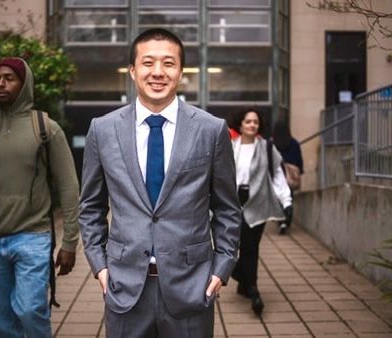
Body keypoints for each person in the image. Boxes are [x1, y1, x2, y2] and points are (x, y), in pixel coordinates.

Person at [79, 28, 241, 338]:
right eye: (148, 62)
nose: (157, 72)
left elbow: (227, 208)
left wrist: (221, 268)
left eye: (168, 63)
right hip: (124, 287)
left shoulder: (211, 130)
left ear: (181, 72)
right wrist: (100, 266)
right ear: (132, 70)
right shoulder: (102, 130)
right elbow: (90, 206)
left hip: (192, 287)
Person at [0, 57, 80, 338]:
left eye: (9, 78)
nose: (1, 83)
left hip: (32, 237)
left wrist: (70, 241)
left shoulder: (45, 127)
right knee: (4, 320)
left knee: (30, 309)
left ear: (24, 84)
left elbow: (69, 184)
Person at [229, 108, 292, 316]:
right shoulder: (230, 147)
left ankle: (253, 290)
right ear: (240, 124)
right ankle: (243, 282)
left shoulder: (267, 147)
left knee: (250, 247)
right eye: (248, 121)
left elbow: (277, 176)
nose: (252, 125)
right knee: (241, 246)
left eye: (255, 122)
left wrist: (287, 202)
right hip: (234, 204)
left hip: (258, 203)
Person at [272, 119, 304, 234]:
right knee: (289, 196)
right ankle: (287, 219)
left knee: (279, 197)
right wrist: (299, 171)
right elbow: (298, 160)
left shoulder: (273, 143)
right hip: (290, 175)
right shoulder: (294, 143)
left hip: (277, 174)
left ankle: (281, 220)